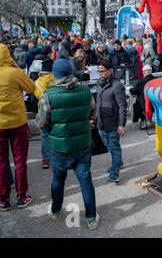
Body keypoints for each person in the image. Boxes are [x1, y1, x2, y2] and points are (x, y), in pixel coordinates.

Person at [36, 59, 99, 229]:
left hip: (59, 147)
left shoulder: (48, 96)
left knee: (58, 179)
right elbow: (93, 113)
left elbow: (41, 123)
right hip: (82, 144)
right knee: (85, 180)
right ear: (72, 73)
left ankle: (56, 211)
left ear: (54, 75)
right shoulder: (85, 92)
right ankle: (91, 218)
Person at [0, 44, 36, 211]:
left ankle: (3, 200)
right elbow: (31, 88)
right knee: (20, 161)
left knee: (1, 163)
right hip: (17, 123)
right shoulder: (14, 73)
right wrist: (17, 68)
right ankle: (22, 197)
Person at [95, 59, 127, 183]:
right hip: (101, 122)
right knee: (109, 146)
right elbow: (98, 102)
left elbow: (122, 106)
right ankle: (118, 162)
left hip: (112, 123)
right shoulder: (99, 83)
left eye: (102, 71)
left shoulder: (117, 85)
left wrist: (121, 124)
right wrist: (94, 117)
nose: (100, 74)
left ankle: (115, 173)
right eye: (99, 71)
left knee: (114, 147)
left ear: (110, 71)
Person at [34, 58, 54, 169]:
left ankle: (45, 160)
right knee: (56, 134)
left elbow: (36, 95)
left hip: (42, 111)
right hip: (56, 111)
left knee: (44, 136)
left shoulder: (37, 82)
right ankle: (57, 157)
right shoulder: (57, 80)